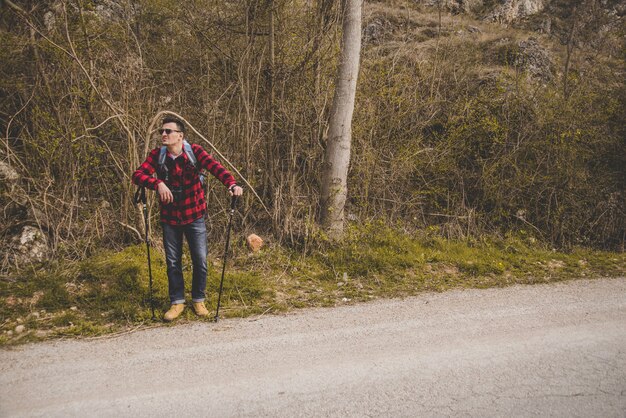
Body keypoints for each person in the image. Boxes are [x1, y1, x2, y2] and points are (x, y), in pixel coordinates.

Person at [132, 116, 243, 321]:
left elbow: (216, 168)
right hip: (170, 217)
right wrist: (157, 183)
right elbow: (137, 175)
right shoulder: (158, 155)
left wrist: (232, 185)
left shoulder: (195, 152)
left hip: (195, 215)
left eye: (168, 131)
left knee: (200, 260)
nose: (163, 135)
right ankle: (177, 302)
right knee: (173, 262)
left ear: (180, 136)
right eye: (162, 132)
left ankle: (198, 300)